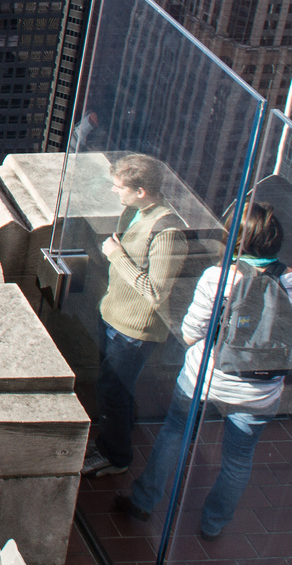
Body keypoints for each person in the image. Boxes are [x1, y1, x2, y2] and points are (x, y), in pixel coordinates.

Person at [117, 204, 292, 540]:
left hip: (205, 378)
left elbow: (191, 331)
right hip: (259, 390)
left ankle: (143, 501)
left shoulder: (219, 276)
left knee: (174, 432)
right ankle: (213, 524)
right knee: (238, 460)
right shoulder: (289, 280)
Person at [82, 153, 186, 477]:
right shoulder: (137, 212)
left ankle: (116, 456)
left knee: (113, 392)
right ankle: (114, 442)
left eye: (119, 187)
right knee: (113, 390)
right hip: (114, 316)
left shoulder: (167, 231)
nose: (115, 192)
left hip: (134, 331)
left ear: (141, 190)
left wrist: (116, 256)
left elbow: (156, 292)